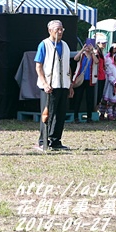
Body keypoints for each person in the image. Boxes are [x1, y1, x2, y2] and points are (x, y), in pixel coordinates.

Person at [35, 20, 73, 151]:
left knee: (61, 114)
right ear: (50, 30)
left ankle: (55, 140)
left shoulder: (65, 45)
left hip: (63, 84)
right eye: (57, 29)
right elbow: (38, 65)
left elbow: (67, 66)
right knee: (48, 114)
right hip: (50, 85)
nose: (60, 32)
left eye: (62, 29)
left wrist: (70, 85)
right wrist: (44, 83)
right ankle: (42, 141)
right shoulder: (44, 45)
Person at [71, 39, 97, 123]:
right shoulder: (82, 55)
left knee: (89, 99)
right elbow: (75, 58)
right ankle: (75, 116)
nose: (88, 48)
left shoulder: (94, 55)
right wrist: (82, 50)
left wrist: (92, 52)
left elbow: (97, 62)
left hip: (90, 80)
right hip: (80, 80)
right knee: (78, 97)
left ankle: (89, 117)